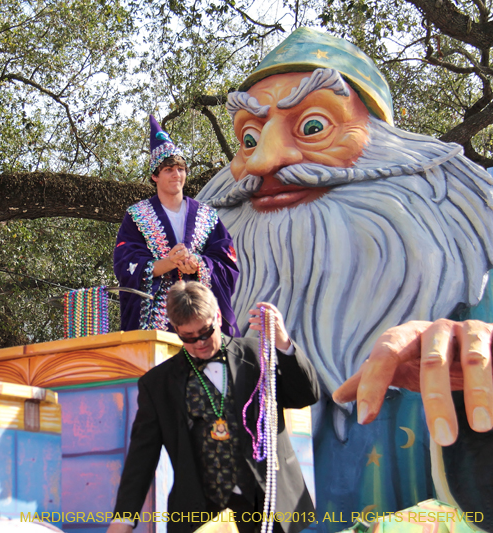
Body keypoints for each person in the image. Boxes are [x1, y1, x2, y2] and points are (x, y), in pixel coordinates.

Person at [195, 27, 493, 529]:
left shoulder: (479, 302)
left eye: (313, 126)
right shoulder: (201, 348)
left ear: (392, 150)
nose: (265, 162)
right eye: (249, 138)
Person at [107, 281, 319, 533]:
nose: (200, 343)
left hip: (270, 506)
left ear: (217, 316)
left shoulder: (257, 354)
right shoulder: (157, 384)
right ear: (176, 329)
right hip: (201, 516)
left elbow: (306, 395)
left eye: (205, 332)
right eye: (189, 337)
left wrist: (283, 343)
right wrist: (123, 519)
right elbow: (141, 458)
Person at [114, 115, 239, 335]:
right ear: (155, 176)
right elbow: (126, 263)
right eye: (169, 170)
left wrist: (198, 264)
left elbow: (226, 259)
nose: (176, 175)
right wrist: (169, 262)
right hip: (157, 320)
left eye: (180, 169)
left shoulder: (207, 215)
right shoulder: (136, 216)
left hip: (201, 313)